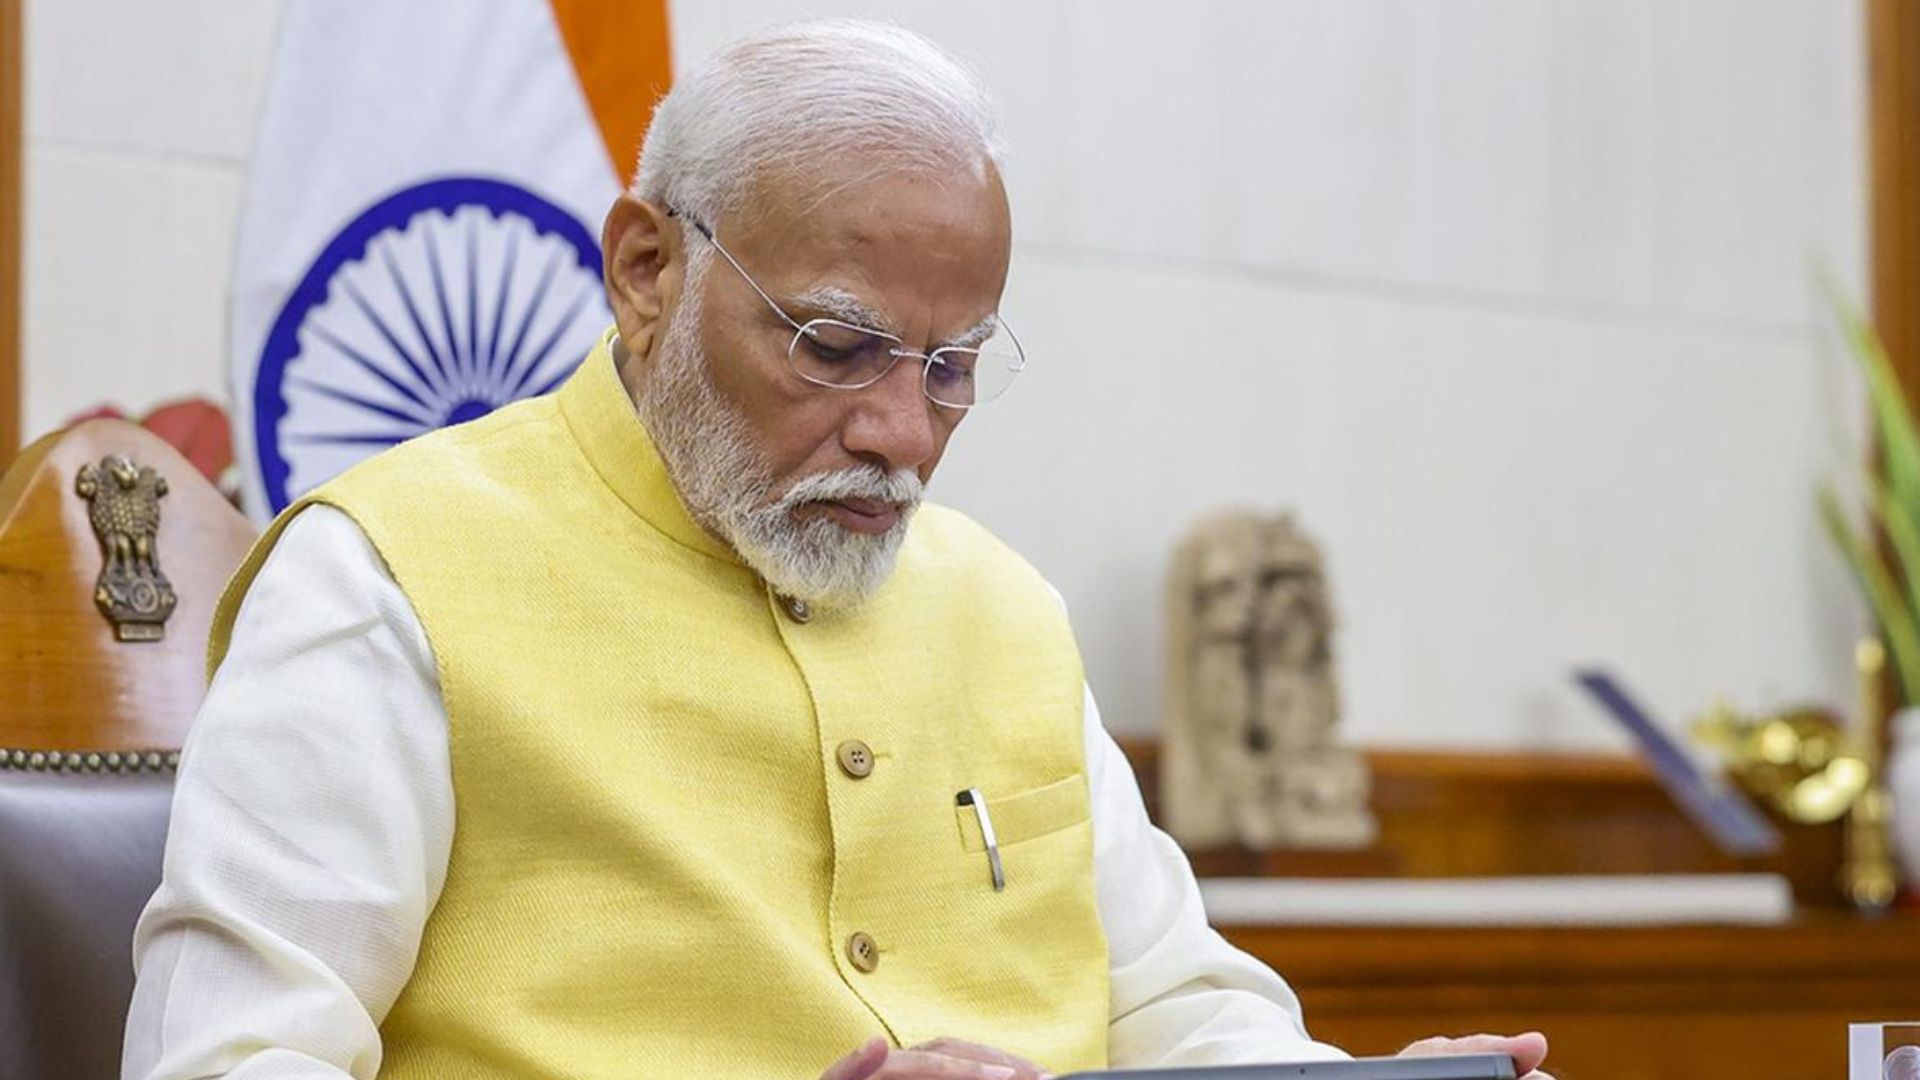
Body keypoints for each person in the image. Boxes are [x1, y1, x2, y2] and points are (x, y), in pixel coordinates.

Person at [122, 20, 1551, 1080]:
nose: (905, 436)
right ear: (644, 270)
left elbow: (1177, 1007)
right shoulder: (385, 577)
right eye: (837, 345)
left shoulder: (1002, 610)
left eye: (954, 365)